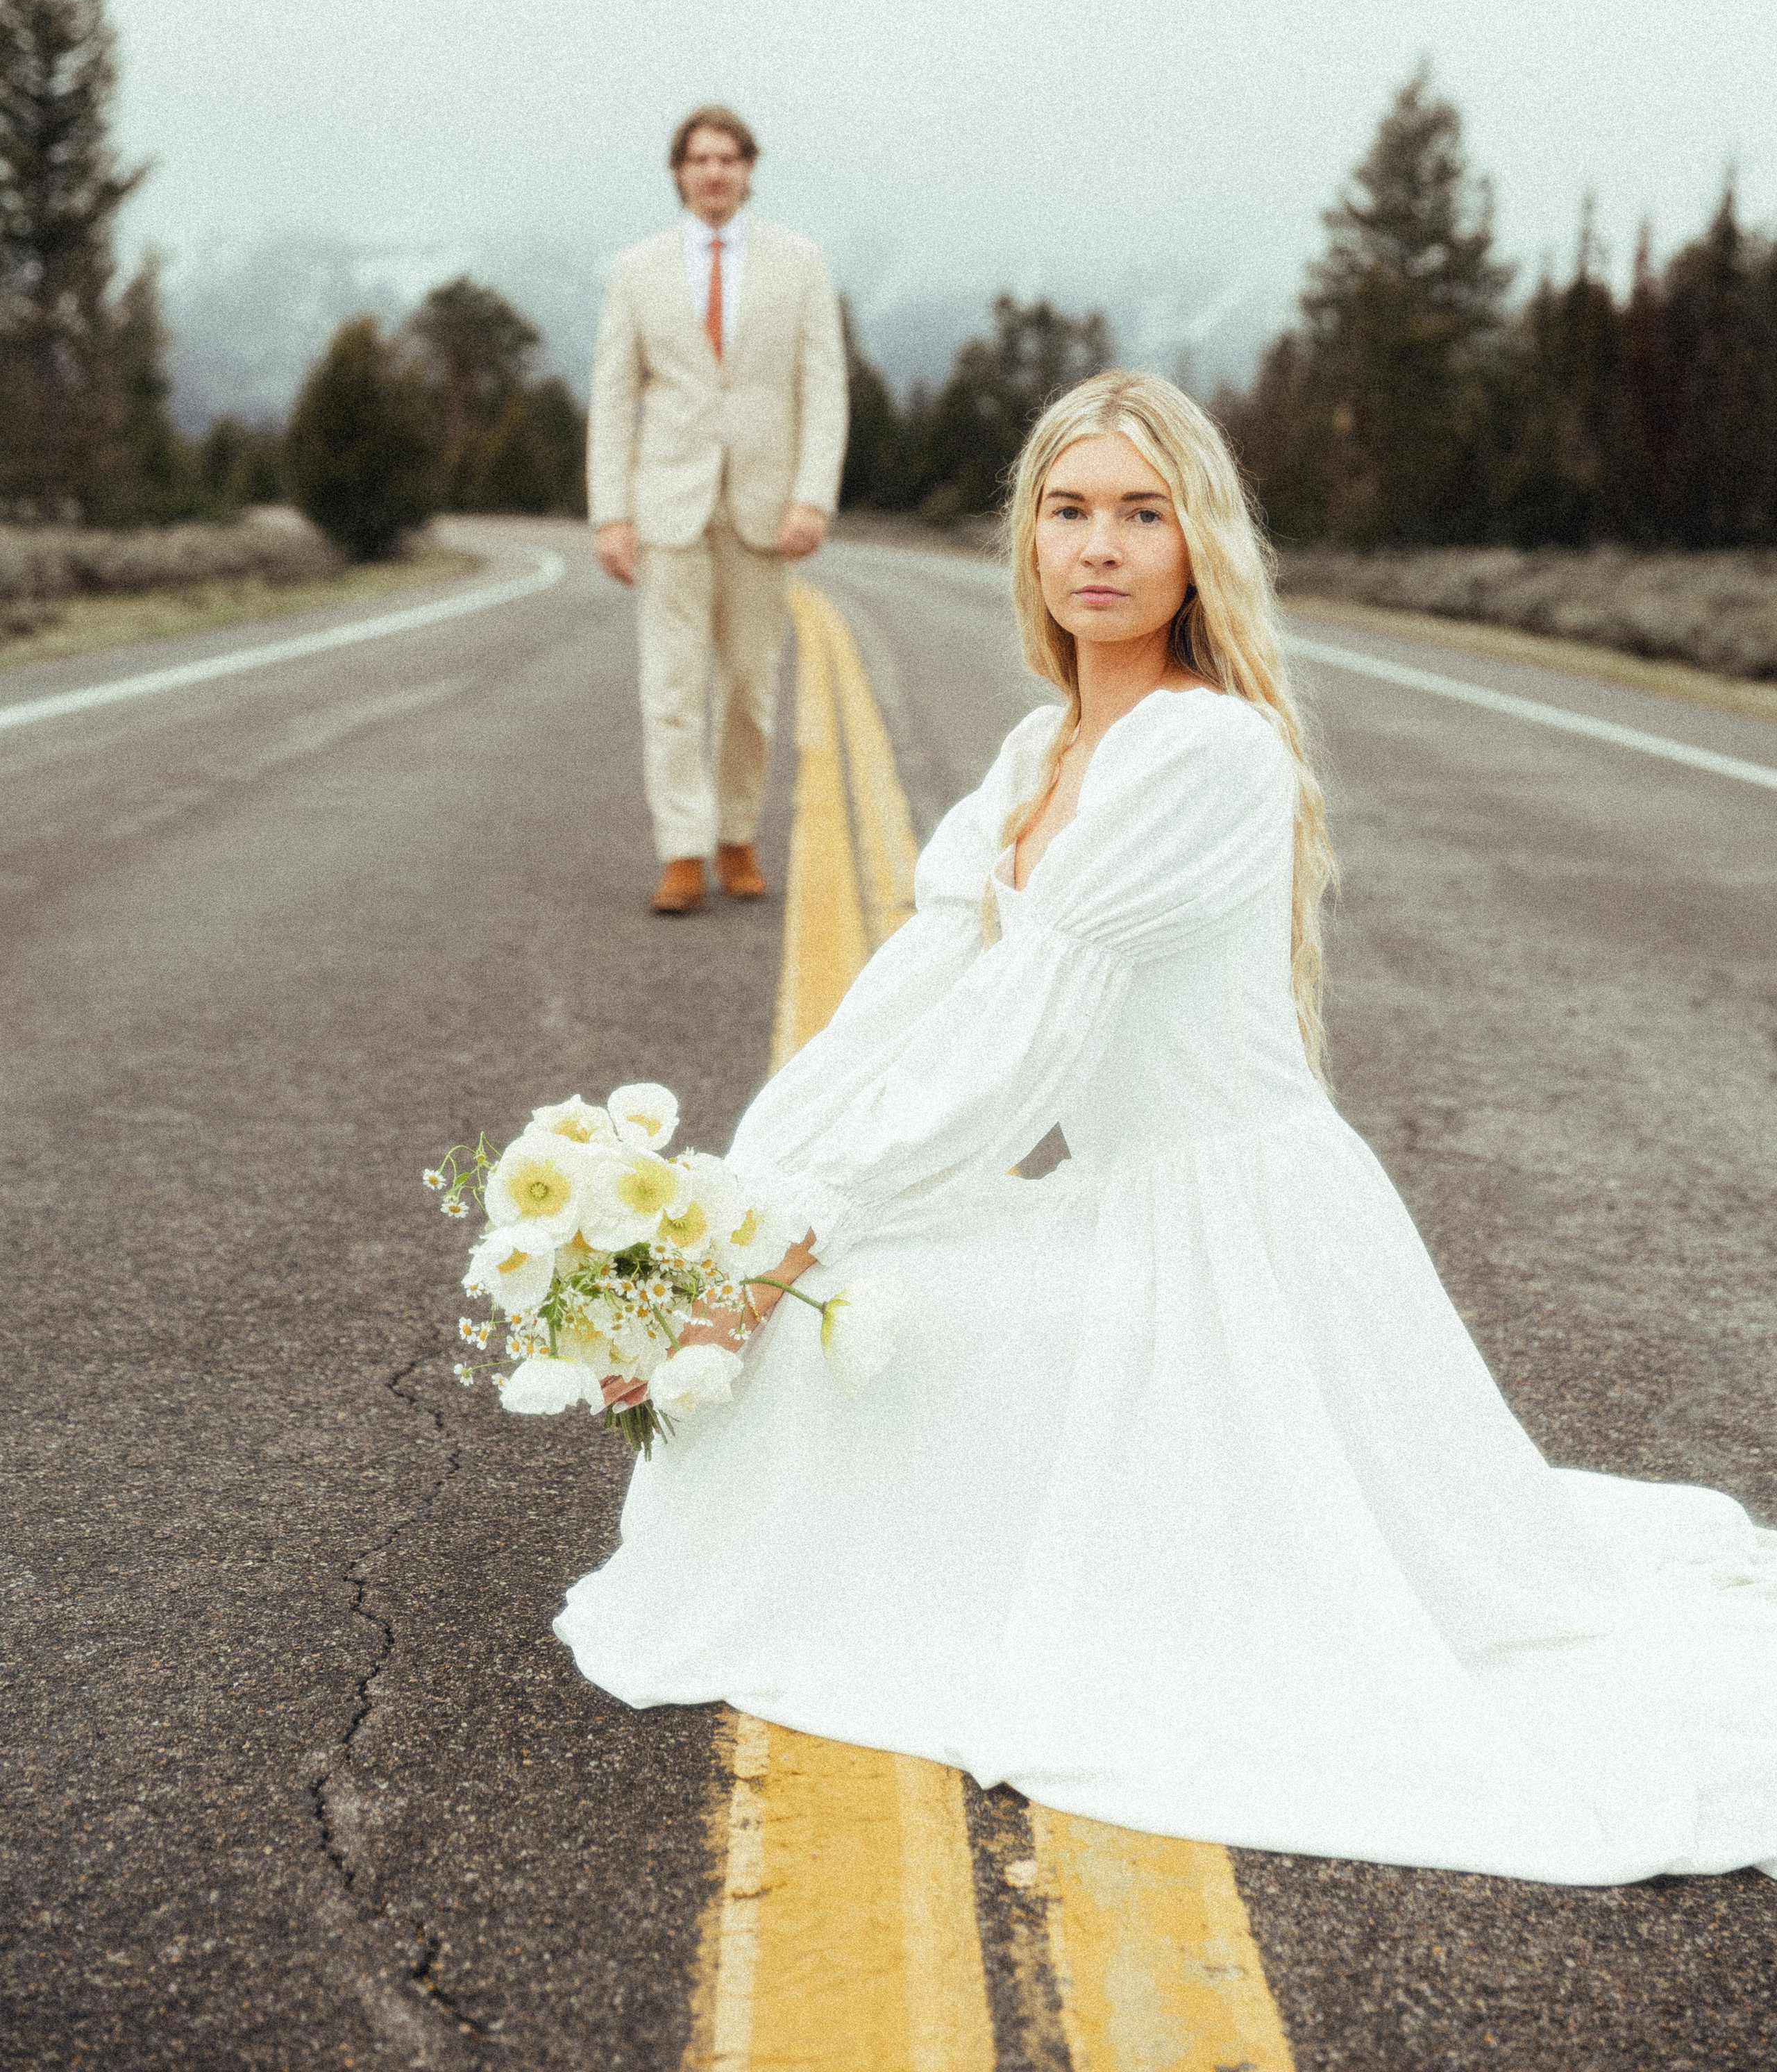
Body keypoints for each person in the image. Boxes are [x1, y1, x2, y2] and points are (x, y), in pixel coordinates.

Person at [557, 371, 1777, 1885]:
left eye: (1143, 514)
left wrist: (780, 1248)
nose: (1101, 547)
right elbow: (905, 1009)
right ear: (1027, 541)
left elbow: (1009, 1061)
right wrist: (725, 1211)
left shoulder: (1205, 753)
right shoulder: (1035, 754)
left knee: (841, 1318)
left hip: (1235, 1242)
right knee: (830, 1314)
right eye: (1068, 511)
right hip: (1120, 1206)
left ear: (1198, 543)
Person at [590, 107, 848, 915]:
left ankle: (737, 833)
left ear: (747, 169)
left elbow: (824, 388)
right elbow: (610, 397)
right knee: (670, 689)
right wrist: (611, 513)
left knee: (749, 685)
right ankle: (682, 847)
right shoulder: (635, 271)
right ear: (678, 171)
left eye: (727, 159)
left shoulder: (799, 264)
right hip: (665, 504)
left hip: (763, 507)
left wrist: (811, 496)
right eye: (699, 160)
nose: (713, 173)